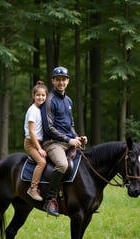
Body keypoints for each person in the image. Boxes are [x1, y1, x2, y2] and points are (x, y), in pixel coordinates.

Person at [41, 66, 87, 216]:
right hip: (52, 142)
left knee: (85, 162)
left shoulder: (68, 100)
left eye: (64, 79)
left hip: (68, 140)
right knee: (62, 164)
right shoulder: (49, 100)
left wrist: (78, 137)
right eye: (58, 79)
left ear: (68, 81)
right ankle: (50, 200)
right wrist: (69, 139)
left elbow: (70, 125)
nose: (61, 82)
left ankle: (81, 198)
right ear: (53, 81)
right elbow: (49, 128)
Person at [24, 81, 48, 201]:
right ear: (33, 96)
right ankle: (33, 188)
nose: (40, 97)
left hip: (41, 142)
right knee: (42, 162)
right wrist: (39, 148)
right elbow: (32, 131)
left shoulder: (42, 109)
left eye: (43, 95)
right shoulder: (33, 110)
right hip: (31, 144)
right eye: (38, 95)